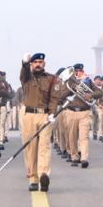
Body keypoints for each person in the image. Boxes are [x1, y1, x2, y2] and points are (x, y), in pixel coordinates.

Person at [19, 53, 62, 192]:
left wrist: (52, 113)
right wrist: (24, 62)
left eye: (40, 62)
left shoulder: (52, 79)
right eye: (35, 62)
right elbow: (24, 70)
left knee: (44, 147)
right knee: (30, 148)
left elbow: (54, 99)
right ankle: (33, 178)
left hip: (44, 115)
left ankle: (43, 175)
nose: (38, 64)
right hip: (29, 115)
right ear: (31, 64)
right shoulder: (26, 77)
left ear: (44, 63)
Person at [63, 63, 102, 168]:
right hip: (71, 112)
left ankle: (84, 158)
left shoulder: (88, 81)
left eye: (80, 71)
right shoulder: (68, 82)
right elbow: (61, 95)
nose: (78, 73)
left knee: (84, 137)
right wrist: (71, 86)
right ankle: (74, 157)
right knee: (72, 136)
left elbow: (100, 92)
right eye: (76, 71)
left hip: (84, 112)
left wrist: (91, 95)